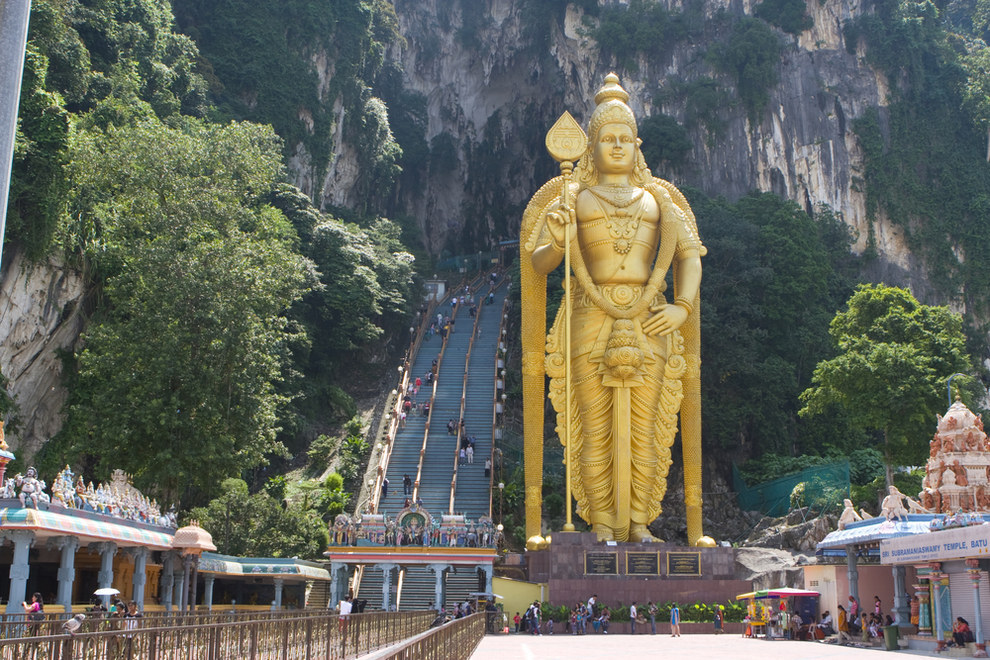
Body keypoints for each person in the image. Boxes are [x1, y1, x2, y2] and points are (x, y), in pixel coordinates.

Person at [522, 73, 706, 543]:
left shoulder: (658, 198)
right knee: (594, 424)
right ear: (592, 146)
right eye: (608, 139)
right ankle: (602, 521)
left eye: (626, 138)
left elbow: (689, 255)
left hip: (650, 317)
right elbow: (540, 261)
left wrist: (682, 308)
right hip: (590, 313)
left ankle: (640, 521)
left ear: (638, 145)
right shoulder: (573, 196)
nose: (618, 146)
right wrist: (559, 239)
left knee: (645, 429)